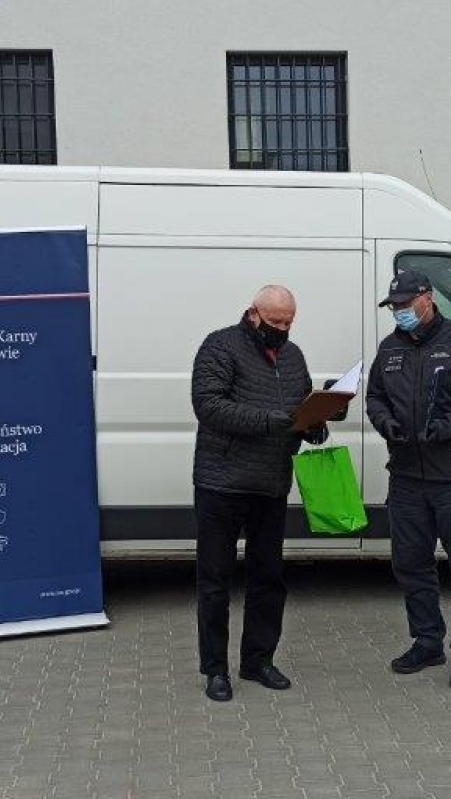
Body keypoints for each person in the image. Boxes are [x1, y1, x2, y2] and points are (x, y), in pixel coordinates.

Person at [190, 285, 328, 702]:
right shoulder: (220, 346)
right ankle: (215, 669)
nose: (282, 329)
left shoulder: (294, 355)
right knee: (215, 582)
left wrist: (317, 423)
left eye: (289, 322)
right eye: (275, 322)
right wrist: (272, 420)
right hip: (221, 483)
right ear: (253, 314)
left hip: (271, 483)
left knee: (268, 579)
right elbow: (209, 406)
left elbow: (299, 410)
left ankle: (258, 661)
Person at [365, 270, 451, 689]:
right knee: (410, 565)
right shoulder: (390, 348)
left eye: (406, 305)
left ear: (428, 298)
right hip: (406, 477)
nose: (400, 312)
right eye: (395, 307)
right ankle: (427, 642)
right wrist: (385, 423)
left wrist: (448, 428)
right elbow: (375, 397)